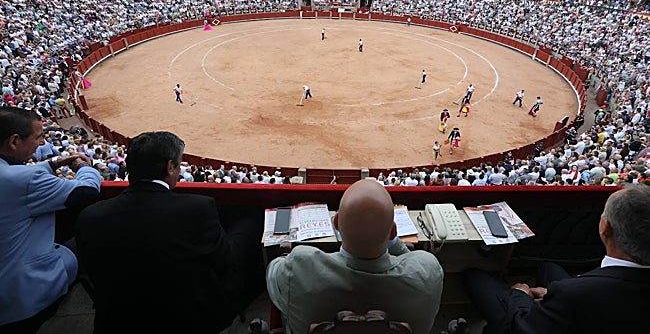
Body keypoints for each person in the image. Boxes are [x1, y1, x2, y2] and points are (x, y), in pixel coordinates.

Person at [75, 131, 264, 333]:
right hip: (187, 318)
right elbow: (226, 259)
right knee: (248, 228)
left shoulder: (90, 216)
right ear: (170, 167)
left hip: (118, 319)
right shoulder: (197, 208)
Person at [463, 184, 650, 334]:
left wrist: (520, 295)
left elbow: (522, 328)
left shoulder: (571, 294)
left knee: (475, 278)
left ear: (605, 228)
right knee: (548, 268)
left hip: (558, 316)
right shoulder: (571, 292)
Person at [266, 179, 444, 334]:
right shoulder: (427, 272)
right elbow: (410, 260)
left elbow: (272, 271)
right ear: (393, 232)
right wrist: (392, 242)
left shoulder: (299, 267)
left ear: (336, 224)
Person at [0, 107, 101, 332]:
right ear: (14, 141)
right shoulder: (25, 179)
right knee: (94, 235)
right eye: (38, 137)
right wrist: (84, 166)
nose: (41, 143)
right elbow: (86, 192)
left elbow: (18, 178)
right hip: (20, 296)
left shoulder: (12, 174)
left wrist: (55, 162)